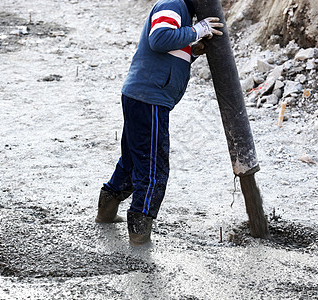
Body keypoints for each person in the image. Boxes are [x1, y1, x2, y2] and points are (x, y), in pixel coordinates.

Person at [95, 0, 223, 246]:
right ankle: (139, 236)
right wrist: (200, 29)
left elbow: (168, 54)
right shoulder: (173, 4)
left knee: (133, 160)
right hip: (149, 99)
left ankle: (106, 212)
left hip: (142, 96)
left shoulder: (181, 13)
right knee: (153, 168)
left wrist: (192, 50)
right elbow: (160, 39)